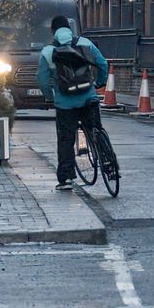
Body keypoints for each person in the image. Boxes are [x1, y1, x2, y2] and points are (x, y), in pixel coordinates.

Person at [36, 15, 114, 189]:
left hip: (65, 104)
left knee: (66, 139)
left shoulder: (48, 52)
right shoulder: (85, 43)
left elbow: (41, 79)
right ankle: (108, 164)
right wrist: (99, 83)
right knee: (96, 130)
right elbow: (102, 64)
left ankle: (66, 179)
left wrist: (50, 96)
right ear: (70, 29)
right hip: (88, 98)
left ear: (52, 31)